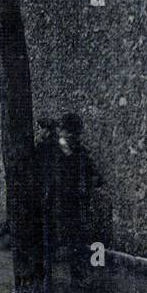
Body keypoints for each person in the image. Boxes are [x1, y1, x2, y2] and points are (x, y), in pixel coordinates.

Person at [40, 112, 103, 283]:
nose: (73, 137)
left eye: (75, 133)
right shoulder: (51, 149)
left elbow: (93, 173)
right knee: (51, 240)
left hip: (72, 202)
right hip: (55, 201)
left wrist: (92, 180)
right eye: (70, 132)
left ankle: (76, 276)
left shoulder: (79, 151)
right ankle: (45, 277)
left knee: (75, 240)